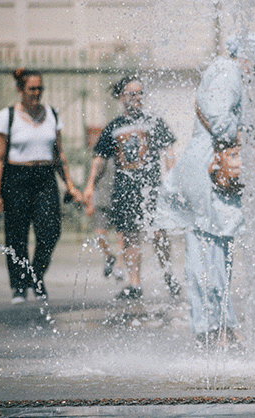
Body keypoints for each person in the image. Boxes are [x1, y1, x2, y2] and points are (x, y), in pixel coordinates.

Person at [157, 32, 255, 348]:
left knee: (214, 250)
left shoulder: (227, 71)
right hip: (209, 167)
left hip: (208, 165)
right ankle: (210, 327)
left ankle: (221, 324)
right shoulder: (228, 72)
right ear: (250, 56)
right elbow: (220, 121)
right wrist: (252, 134)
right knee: (208, 251)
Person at [0, 68, 83, 304]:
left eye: (40, 88)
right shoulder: (6, 116)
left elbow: (59, 154)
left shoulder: (51, 113)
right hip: (16, 177)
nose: (37, 93)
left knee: (51, 231)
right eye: (32, 88)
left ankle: (36, 275)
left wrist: (70, 185)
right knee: (17, 236)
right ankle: (19, 286)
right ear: (20, 89)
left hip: (45, 178)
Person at [82, 75, 179, 300]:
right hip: (124, 190)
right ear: (121, 97)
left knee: (159, 233)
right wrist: (89, 186)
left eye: (139, 93)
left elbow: (169, 152)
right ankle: (134, 284)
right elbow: (100, 159)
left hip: (151, 188)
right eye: (131, 94)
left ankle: (168, 275)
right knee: (130, 237)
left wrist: (172, 180)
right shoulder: (114, 126)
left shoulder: (154, 121)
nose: (137, 98)